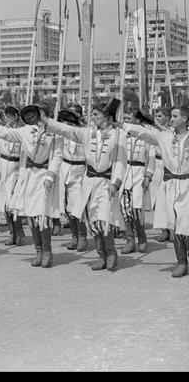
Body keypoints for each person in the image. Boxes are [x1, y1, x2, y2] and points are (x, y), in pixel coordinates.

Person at [41, 99, 126, 272]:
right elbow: (66, 130)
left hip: (106, 182)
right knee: (93, 220)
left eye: (95, 114)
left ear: (106, 117)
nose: (92, 117)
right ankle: (101, 256)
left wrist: (115, 183)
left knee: (104, 218)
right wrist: (45, 121)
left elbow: (120, 161)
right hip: (89, 181)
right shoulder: (87, 133)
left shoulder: (119, 135)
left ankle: (111, 253)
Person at [0, 103, 61, 268]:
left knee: (42, 216)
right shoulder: (25, 131)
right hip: (29, 176)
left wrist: (51, 176)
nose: (35, 117)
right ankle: (38, 251)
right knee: (31, 215)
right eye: (31, 115)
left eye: (39, 113)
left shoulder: (55, 132)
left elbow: (57, 156)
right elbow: (3, 133)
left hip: (45, 178)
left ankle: (47, 251)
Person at [119, 105, 189, 278]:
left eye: (174, 116)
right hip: (171, 185)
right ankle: (181, 262)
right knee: (174, 225)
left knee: (186, 224)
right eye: (171, 116)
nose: (171, 119)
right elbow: (144, 134)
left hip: (188, 185)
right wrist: (123, 125)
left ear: (185, 119)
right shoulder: (164, 136)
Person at [118, 107, 154, 254]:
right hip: (124, 173)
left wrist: (148, 176)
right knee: (125, 209)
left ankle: (142, 237)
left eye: (128, 118)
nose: (126, 121)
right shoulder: (120, 134)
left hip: (139, 173)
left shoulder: (146, 135)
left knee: (136, 209)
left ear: (137, 120)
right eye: (124, 119)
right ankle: (129, 239)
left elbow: (151, 158)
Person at [54, 106, 89, 252]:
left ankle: (82, 236)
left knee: (77, 205)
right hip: (64, 169)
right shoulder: (62, 134)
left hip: (79, 171)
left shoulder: (85, 133)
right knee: (67, 206)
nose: (68, 124)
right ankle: (74, 236)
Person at [0, 106, 25, 246]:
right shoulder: (1, 130)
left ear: (16, 117)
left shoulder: (21, 132)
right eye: (6, 116)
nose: (8, 119)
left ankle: (19, 233)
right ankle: (11, 232)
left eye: (11, 116)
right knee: (4, 204)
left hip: (16, 167)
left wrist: (22, 172)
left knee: (13, 204)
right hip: (3, 166)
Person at [151, 107, 172, 242]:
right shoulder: (153, 131)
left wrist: (157, 126)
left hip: (167, 166)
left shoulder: (171, 131)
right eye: (156, 116)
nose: (157, 118)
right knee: (156, 200)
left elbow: (168, 135)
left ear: (167, 118)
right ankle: (163, 230)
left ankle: (172, 229)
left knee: (169, 199)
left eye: (160, 116)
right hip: (156, 165)